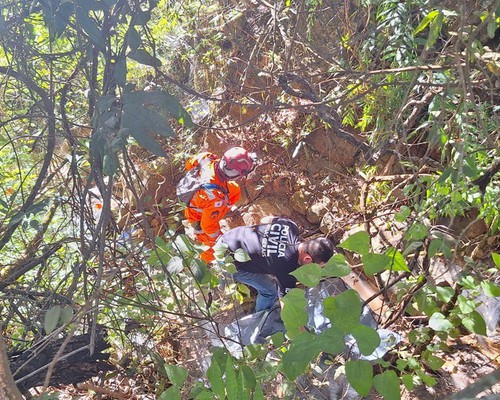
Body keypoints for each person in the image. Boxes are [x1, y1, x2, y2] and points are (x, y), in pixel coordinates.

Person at [217, 216, 335, 312]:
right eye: (315, 267)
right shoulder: (288, 268)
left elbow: (266, 219)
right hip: (228, 261)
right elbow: (286, 302)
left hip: (227, 238)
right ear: (308, 259)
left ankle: (221, 280)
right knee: (270, 292)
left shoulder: (290, 226)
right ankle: (260, 321)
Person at [183, 147, 257, 263]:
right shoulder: (216, 198)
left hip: (199, 197)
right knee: (211, 248)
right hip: (198, 215)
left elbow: (189, 164)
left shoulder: (206, 158)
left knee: (234, 189)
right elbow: (208, 226)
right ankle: (203, 263)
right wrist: (220, 239)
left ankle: (221, 212)